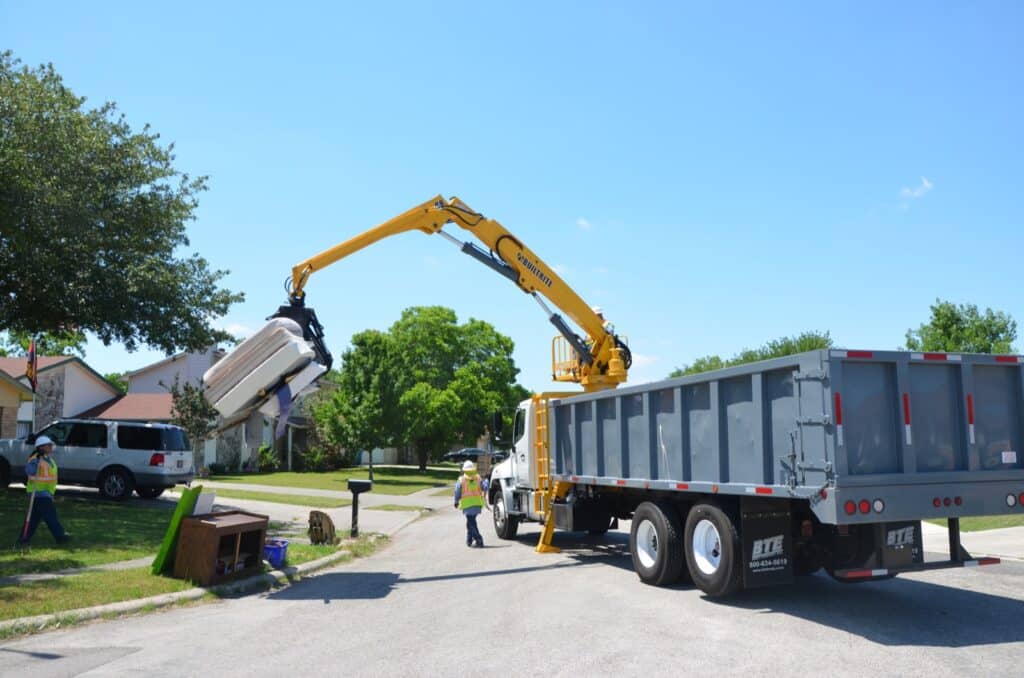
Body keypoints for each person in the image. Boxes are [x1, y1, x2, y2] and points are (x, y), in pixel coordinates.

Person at [16, 435, 71, 547]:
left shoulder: (47, 458)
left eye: (51, 445)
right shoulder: (35, 458)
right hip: (38, 492)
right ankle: (60, 536)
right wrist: (35, 464)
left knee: (33, 518)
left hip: (45, 492)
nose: (51, 447)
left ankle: (24, 538)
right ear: (41, 447)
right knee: (50, 515)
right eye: (49, 445)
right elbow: (29, 471)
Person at [454, 460, 485, 548]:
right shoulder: (478, 478)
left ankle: (479, 539)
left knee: (471, 523)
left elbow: (457, 491)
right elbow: (483, 487)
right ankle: (469, 540)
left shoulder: (462, 479)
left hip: (467, 505)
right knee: (470, 522)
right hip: (477, 504)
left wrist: (456, 501)